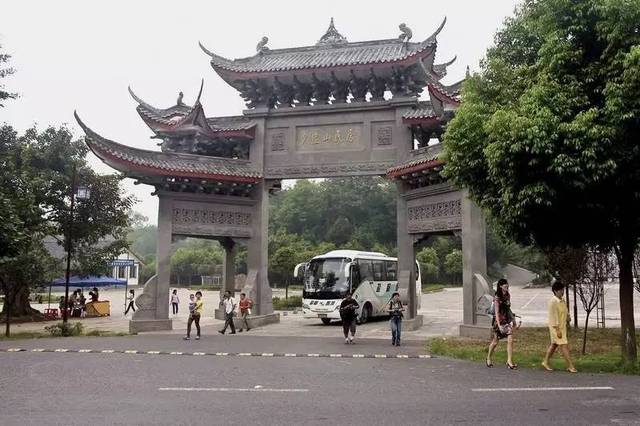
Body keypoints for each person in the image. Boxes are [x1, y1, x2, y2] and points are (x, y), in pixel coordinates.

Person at [542, 280, 577, 373]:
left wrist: (568, 316)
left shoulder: (562, 300)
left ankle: (545, 362)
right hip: (556, 328)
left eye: (563, 290)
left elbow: (565, 310)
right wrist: (557, 329)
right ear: (556, 291)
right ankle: (570, 366)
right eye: (561, 290)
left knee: (554, 345)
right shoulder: (552, 302)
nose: (563, 292)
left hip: (562, 327)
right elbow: (552, 316)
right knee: (564, 345)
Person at [486, 278, 519, 369]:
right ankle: (488, 358)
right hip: (498, 322)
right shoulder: (497, 297)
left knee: (510, 338)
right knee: (495, 342)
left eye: (507, 284)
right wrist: (499, 325)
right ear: (500, 286)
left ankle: (509, 361)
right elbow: (496, 312)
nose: (507, 285)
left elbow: (508, 309)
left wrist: (513, 320)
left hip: (506, 321)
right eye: (505, 284)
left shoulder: (508, 295)